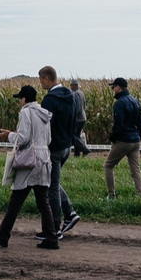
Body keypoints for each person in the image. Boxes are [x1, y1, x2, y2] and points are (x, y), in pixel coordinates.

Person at [0, 84, 59, 248]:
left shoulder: (26, 112)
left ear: (24, 98)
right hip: (44, 158)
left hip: (29, 160)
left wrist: (10, 135)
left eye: (20, 98)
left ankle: (3, 236)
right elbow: (47, 139)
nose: (19, 101)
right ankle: (52, 238)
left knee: (16, 200)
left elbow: (24, 138)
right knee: (43, 201)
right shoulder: (45, 114)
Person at [39, 67, 84, 234]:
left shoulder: (49, 99)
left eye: (41, 80)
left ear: (46, 78)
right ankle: (70, 213)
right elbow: (75, 120)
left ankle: (54, 227)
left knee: (51, 188)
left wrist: (43, 147)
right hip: (66, 146)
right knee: (53, 183)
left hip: (54, 148)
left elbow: (45, 127)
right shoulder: (70, 96)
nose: (40, 83)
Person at [103, 78, 141, 198]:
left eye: (113, 87)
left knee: (108, 166)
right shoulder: (135, 101)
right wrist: (138, 136)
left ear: (118, 88)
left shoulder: (119, 103)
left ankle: (111, 195)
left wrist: (113, 137)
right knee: (135, 170)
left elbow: (118, 124)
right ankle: (139, 196)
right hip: (135, 141)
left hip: (123, 141)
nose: (113, 90)